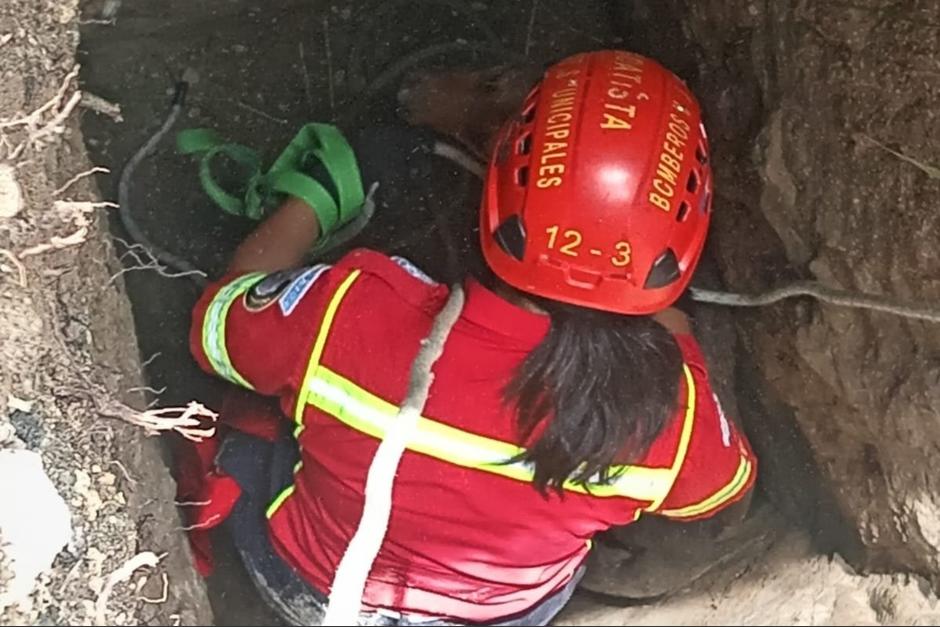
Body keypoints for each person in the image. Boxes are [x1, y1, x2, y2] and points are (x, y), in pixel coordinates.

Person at [184, 50, 757, 626]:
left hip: (312, 590)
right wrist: (677, 341)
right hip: (497, 617)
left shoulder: (357, 305)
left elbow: (213, 326)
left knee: (260, 412)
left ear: (499, 180)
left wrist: (315, 199)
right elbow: (723, 489)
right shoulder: (675, 419)